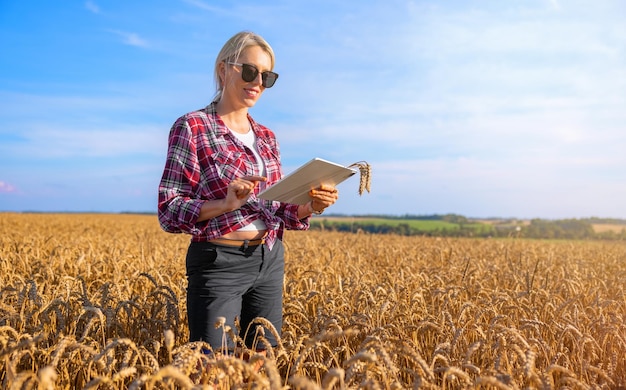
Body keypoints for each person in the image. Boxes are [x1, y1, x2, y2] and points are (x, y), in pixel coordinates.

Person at [157, 31, 339, 354]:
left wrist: (310, 205)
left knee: (263, 363)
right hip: (219, 263)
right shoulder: (193, 127)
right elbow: (169, 209)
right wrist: (224, 204)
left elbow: (275, 207)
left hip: (269, 259)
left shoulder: (268, 137)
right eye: (250, 71)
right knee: (214, 369)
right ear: (224, 69)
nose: (257, 82)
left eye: (267, 76)